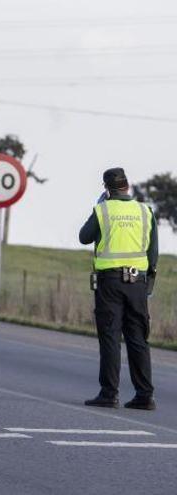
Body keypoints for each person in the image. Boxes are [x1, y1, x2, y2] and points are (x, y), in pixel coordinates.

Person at [79, 167, 158, 410]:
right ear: (128, 186)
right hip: (138, 283)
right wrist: (148, 283)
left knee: (111, 337)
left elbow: (84, 237)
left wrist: (99, 206)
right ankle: (145, 396)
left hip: (110, 283)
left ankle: (109, 393)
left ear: (107, 189)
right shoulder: (145, 212)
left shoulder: (103, 210)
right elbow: (153, 252)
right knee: (137, 339)